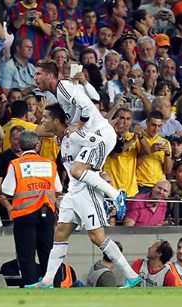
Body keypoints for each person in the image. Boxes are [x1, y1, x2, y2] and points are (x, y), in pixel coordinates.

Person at [26, 104, 141, 289]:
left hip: (88, 190)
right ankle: (46, 282)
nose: (42, 120)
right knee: (60, 233)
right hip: (73, 191)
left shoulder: (76, 136)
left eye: (46, 117)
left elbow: (100, 142)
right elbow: (38, 130)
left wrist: (93, 158)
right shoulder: (62, 138)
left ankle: (131, 275)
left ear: (56, 120)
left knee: (97, 237)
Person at [35, 60, 127, 217]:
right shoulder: (63, 90)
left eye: (38, 74)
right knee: (83, 175)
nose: (35, 79)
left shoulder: (63, 87)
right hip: (92, 137)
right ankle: (103, 201)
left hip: (99, 136)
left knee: (77, 171)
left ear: (50, 76)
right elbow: (95, 97)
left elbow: (86, 108)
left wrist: (76, 127)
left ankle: (116, 195)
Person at [1, 130, 62, 287]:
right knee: (48, 252)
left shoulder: (16, 165)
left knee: (26, 254)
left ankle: (30, 285)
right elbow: (58, 189)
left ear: (20, 146)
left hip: (24, 214)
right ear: (37, 145)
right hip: (46, 212)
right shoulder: (50, 164)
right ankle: (53, 285)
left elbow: (7, 190)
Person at [103, 107, 150, 198]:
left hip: (130, 190)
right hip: (112, 187)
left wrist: (140, 137)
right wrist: (132, 141)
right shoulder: (109, 136)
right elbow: (114, 154)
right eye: (122, 118)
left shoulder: (134, 136)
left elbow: (148, 152)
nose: (125, 122)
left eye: (128, 119)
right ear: (116, 119)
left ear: (132, 121)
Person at [0, 125, 24, 224]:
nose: (18, 142)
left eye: (21, 139)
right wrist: (9, 208)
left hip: (28, 207)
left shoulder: (30, 157)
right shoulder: (1, 158)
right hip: (8, 208)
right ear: (9, 139)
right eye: (15, 139)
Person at [136, 110, 173, 194]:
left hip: (159, 187)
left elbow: (167, 170)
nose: (156, 129)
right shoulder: (138, 139)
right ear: (147, 122)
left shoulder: (165, 142)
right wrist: (150, 151)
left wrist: (167, 153)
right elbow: (134, 164)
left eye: (159, 126)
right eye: (153, 125)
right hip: (141, 185)